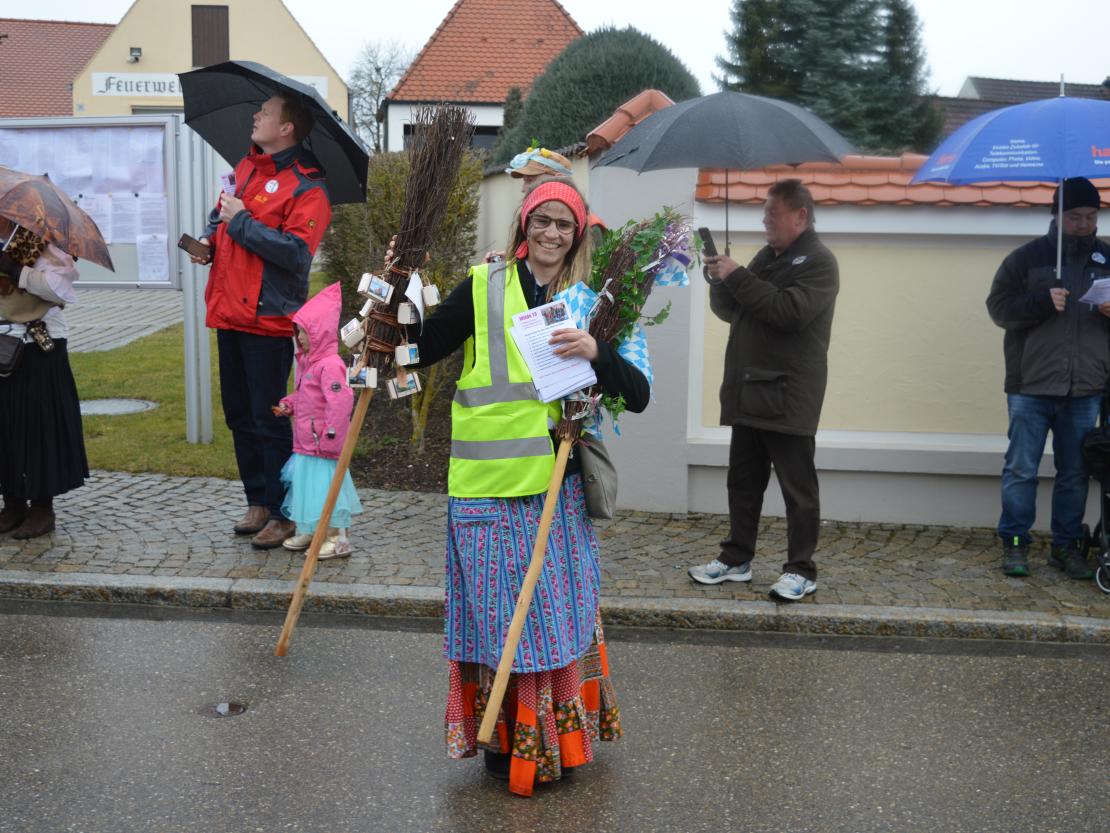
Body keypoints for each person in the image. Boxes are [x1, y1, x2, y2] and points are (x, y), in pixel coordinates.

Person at [399, 178, 649, 796]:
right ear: (523, 227)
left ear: (578, 234)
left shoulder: (593, 303)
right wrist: (398, 290)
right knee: (495, 620)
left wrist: (597, 351)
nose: (552, 235)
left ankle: (558, 746)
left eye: (565, 225)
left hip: (557, 490)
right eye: (543, 222)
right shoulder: (483, 288)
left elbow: (637, 394)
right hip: (486, 489)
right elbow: (419, 348)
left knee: (556, 619)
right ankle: (503, 742)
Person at [189, 93, 332, 549]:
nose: (256, 116)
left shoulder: (310, 187)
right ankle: (256, 499)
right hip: (228, 310)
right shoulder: (246, 168)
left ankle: (283, 512)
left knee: (270, 418)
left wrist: (243, 220)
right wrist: (211, 238)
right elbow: (221, 217)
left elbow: (294, 254)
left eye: (265, 113)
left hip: (268, 319)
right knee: (239, 415)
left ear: (287, 128)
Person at [687, 179, 839, 601]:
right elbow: (733, 311)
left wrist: (740, 277)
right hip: (751, 391)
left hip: (789, 395)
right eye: (765, 213)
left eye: (773, 213)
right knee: (743, 481)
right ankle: (736, 558)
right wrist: (721, 278)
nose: (765, 220)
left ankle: (801, 569)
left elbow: (787, 312)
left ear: (800, 216)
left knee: (798, 489)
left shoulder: (819, 262)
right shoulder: (768, 257)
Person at [985, 177, 1110, 580]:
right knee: (1021, 468)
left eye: (1091, 216)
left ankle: (1066, 546)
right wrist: (1041, 301)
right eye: (1075, 216)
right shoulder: (1026, 258)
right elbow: (999, 309)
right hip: (1030, 385)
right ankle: (1015, 544)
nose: (1084, 224)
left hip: (1086, 386)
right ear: (1056, 215)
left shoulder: (1107, 259)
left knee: (1074, 473)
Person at [0, 221, 88, 539]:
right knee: (5, 427)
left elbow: (60, 288)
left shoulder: (39, 240)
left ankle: (41, 508)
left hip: (37, 344)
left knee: (38, 425)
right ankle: (12, 502)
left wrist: (16, 271)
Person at [273, 282, 361, 559]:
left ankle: (336, 537)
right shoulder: (309, 363)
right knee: (308, 491)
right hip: (307, 445)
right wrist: (290, 403)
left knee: (328, 493)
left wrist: (332, 434)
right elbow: (307, 397)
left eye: (303, 331)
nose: (298, 337)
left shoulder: (330, 365)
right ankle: (312, 529)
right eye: (297, 331)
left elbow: (340, 401)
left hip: (323, 443)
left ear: (318, 332)